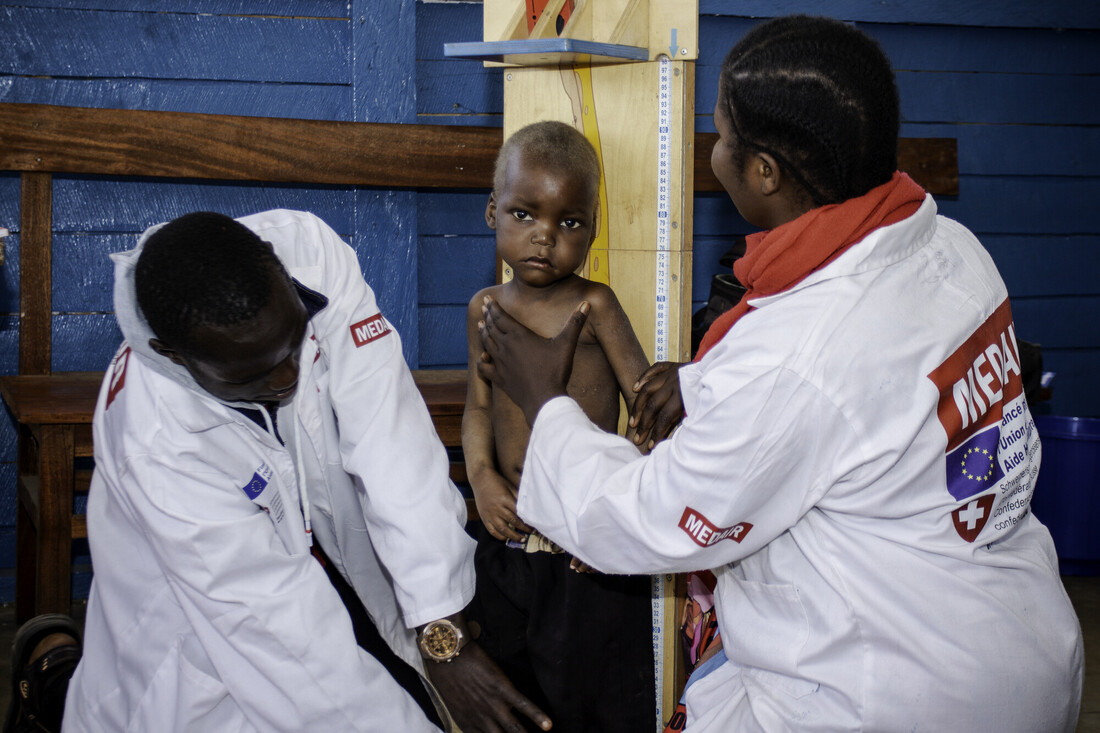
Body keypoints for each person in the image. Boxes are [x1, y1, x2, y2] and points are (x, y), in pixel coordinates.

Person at [474, 15, 1084, 732]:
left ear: (762, 173)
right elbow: (846, 385)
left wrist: (547, 406)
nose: (715, 150)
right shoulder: (949, 247)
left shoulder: (800, 357)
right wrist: (702, 383)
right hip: (1012, 638)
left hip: (896, 691)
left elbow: (651, 517)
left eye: (722, 135)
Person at [6, 209, 552, 733]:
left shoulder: (310, 252)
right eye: (254, 375)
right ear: (171, 354)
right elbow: (283, 639)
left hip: (310, 541)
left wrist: (441, 628)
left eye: (294, 340)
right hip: (208, 613)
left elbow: (392, 439)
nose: (289, 376)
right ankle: (50, 674)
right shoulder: (156, 444)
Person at [461, 120, 655, 732]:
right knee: (516, 694)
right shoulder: (485, 308)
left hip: (584, 555)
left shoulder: (594, 306)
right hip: (511, 537)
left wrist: (614, 512)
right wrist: (483, 480)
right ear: (493, 211)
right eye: (524, 214)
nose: (544, 238)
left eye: (568, 223)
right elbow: (479, 408)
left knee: (598, 700)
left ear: (592, 232)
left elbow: (647, 407)